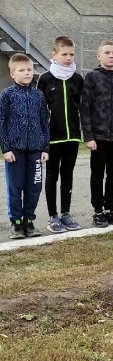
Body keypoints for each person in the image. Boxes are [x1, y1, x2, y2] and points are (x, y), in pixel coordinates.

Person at [81, 40, 113, 228]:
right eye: (107, 52)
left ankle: (110, 208)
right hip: (99, 137)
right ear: (99, 56)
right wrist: (88, 136)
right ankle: (98, 210)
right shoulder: (92, 78)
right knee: (97, 174)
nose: (111, 56)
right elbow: (85, 108)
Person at [37, 36, 84, 233]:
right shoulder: (45, 79)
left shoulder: (77, 79)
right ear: (54, 55)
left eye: (72, 54)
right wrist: (41, 139)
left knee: (68, 176)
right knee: (52, 177)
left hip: (72, 137)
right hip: (52, 138)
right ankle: (53, 216)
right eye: (64, 54)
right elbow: (39, 112)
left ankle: (66, 213)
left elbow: (82, 107)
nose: (68, 58)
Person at [0, 54, 49, 239]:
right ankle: (17, 223)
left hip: (36, 150)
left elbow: (45, 121)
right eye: (22, 70)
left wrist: (45, 148)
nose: (26, 73)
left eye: (29, 69)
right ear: (13, 74)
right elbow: (2, 122)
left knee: (34, 187)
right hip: (15, 150)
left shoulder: (38, 95)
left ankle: (29, 220)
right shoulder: (7, 95)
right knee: (15, 186)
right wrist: (6, 148)